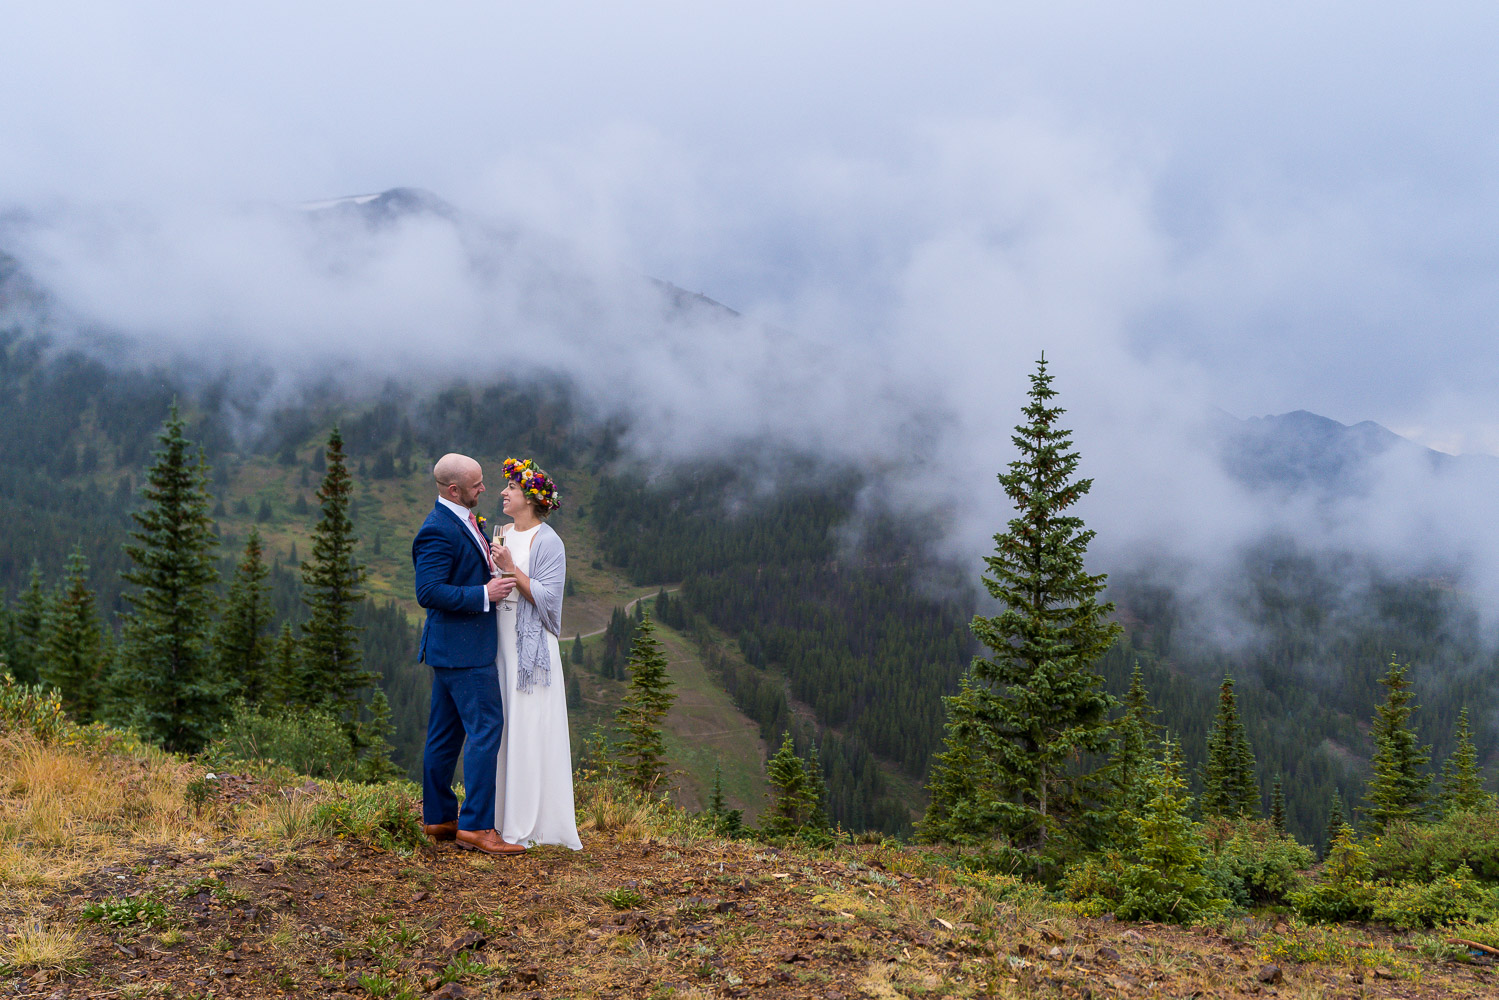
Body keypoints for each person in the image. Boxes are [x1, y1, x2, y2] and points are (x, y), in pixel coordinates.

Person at [412, 453, 524, 855]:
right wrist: (484, 594)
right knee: (485, 730)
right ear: (454, 490)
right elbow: (428, 592)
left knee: (445, 735)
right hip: (464, 651)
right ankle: (476, 825)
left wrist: (488, 574)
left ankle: (440, 819)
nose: (484, 488)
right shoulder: (437, 530)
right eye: (476, 484)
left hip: (451, 649)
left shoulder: (463, 520)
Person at [490, 457, 582, 850]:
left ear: (529, 498)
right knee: (505, 726)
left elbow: (549, 602)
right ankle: (499, 817)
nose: (503, 493)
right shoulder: (501, 532)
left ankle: (529, 823)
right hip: (500, 642)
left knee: (529, 727)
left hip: (532, 652)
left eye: (510, 488)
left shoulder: (548, 541)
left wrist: (511, 569)